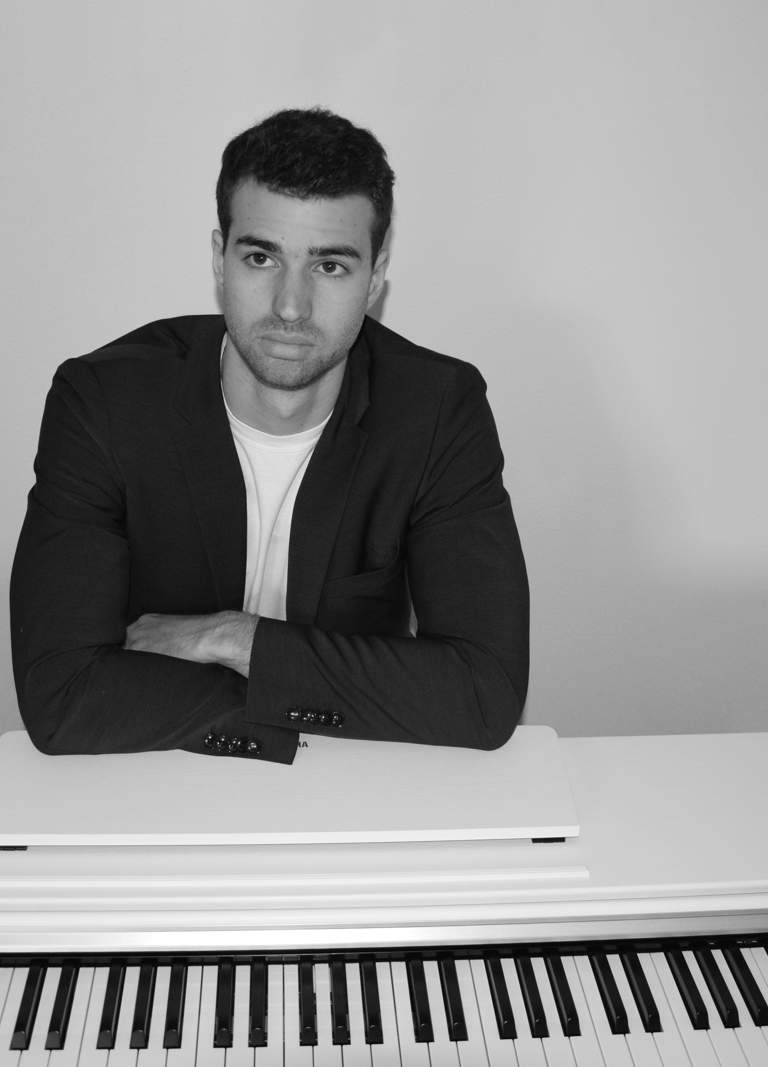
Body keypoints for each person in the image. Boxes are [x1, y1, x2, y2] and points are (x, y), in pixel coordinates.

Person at [10, 108, 529, 765]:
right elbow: (60, 701)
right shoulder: (104, 404)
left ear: (376, 276)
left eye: (330, 266)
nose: (290, 306)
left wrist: (237, 640)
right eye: (261, 258)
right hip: (151, 783)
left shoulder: (437, 412)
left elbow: (484, 694)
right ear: (219, 260)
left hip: (354, 794)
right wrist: (335, 691)